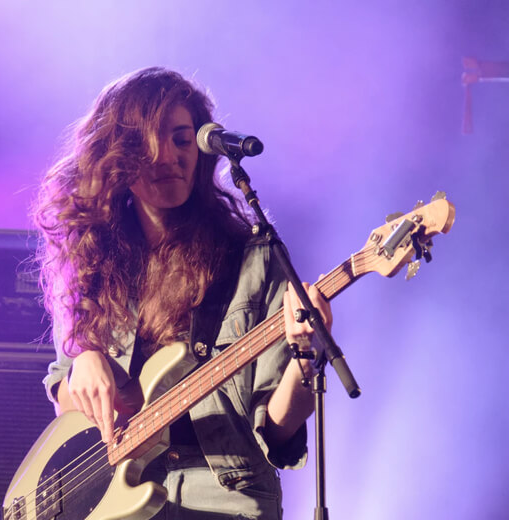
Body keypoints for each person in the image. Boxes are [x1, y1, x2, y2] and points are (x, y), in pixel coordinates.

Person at [32, 66, 332, 519]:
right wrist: (82, 364)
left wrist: (306, 359)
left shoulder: (252, 258)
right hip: (117, 501)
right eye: (150, 141)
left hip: (226, 497)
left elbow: (277, 430)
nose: (169, 155)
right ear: (118, 156)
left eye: (182, 139)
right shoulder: (94, 262)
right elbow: (65, 405)